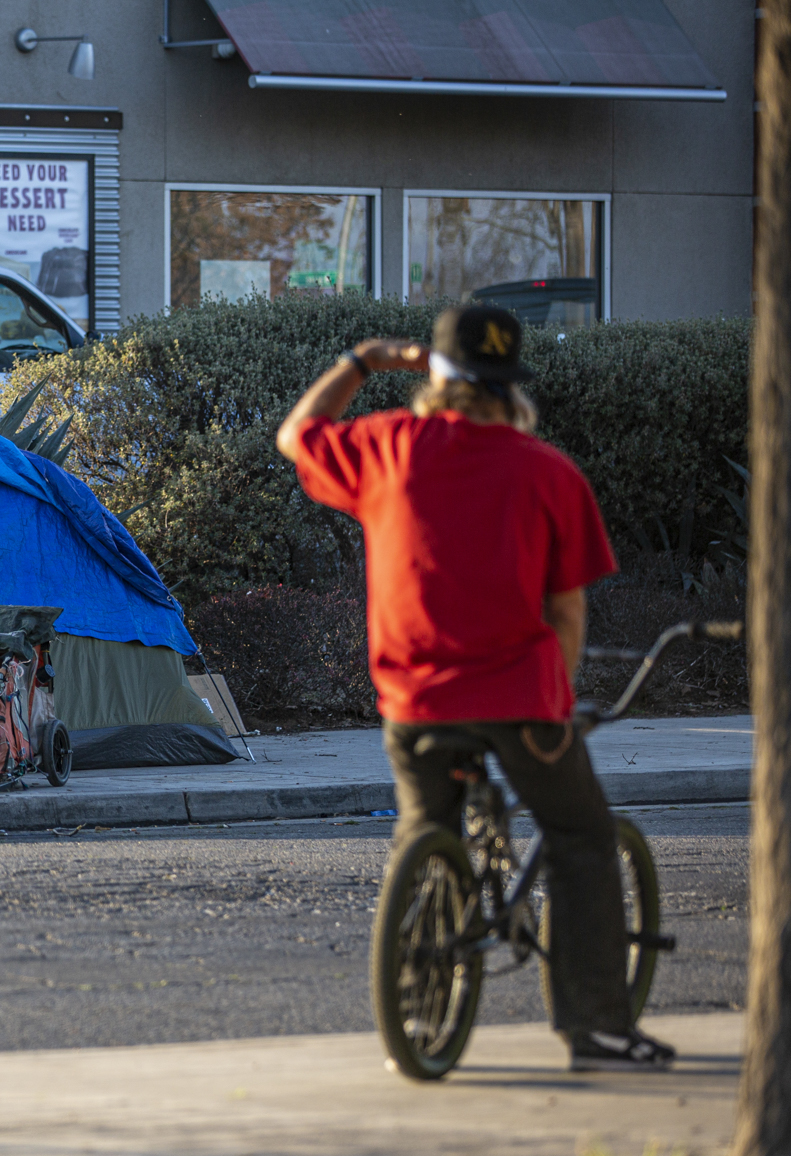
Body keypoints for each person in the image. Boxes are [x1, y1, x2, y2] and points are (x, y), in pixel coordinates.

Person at [274, 303, 674, 1072]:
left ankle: (420, 1019)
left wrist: (364, 360)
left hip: (412, 698)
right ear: (509, 385)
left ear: (437, 376)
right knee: (582, 837)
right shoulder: (550, 473)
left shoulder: (389, 447)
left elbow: (295, 435)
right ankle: (597, 1024)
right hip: (521, 699)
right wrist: (557, 697)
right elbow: (566, 610)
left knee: (425, 830)